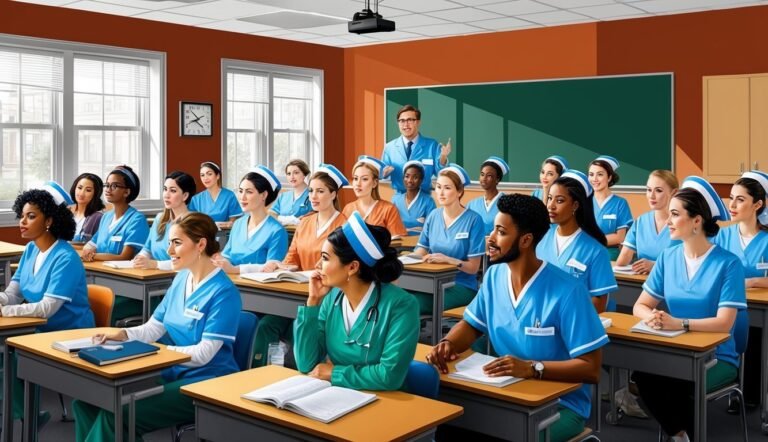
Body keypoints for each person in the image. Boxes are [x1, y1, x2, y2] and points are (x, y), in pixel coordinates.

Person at [426, 194, 607, 442]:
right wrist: (448, 343)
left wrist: (533, 368)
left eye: (500, 232)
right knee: (450, 425)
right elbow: (471, 325)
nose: (490, 238)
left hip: (561, 405)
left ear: (525, 240)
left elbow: (592, 368)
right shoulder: (493, 276)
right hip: (510, 393)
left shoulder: (568, 291)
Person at [73, 212, 242, 442]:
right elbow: (153, 328)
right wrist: (122, 334)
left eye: (177, 243)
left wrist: (159, 353)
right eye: (170, 242)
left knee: (120, 415)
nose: (169, 251)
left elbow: (203, 355)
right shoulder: (181, 278)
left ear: (201, 244)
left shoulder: (224, 292)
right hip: (171, 372)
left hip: (206, 381)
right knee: (86, 402)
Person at [632, 176, 747, 442]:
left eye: (675, 214)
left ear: (697, 221)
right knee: (642, 374)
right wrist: (654, 317)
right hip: (675, 348)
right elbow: (641, 305)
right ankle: (681, 435)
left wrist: (679, 323)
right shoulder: (667, 257)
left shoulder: (729, 264)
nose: (668, 221)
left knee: (676, 381)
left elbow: (724, 323)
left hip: (717, 356)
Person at [294, 212, 419, 390]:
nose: (317, 266)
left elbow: (389, 376)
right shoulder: (331, 299)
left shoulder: (402, 305)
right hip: (337, 395)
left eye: (325, 258)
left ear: (352, 267)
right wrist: (313, 302)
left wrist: (334, 373)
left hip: (385, 402)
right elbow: (306, 364)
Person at [2, 182, 95, 423]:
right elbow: (12, 293)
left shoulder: (66, 257)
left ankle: (27, 418)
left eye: (30, 216)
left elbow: (47, 308)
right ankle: (24, 415)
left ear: (49, 221)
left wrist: (5, 310)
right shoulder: (31, 250)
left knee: (6, 357)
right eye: (21, 216)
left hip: (67, 332)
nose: (22, 222)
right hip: (38, 327)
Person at [255, 164, 349, 367]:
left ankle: (303, 374)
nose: (313, 196)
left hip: (327, 296)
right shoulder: (305, 222)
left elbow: (340, 267)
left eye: (320, 191)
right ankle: (256, 373)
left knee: (301, 327)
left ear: (333, 194)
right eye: (311, 191)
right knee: (266, 325)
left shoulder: (344, 226)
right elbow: (292, 258)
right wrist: (279, 266)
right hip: (297, 291)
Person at [712, 170, 768, 409]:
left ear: (758, 204)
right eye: (730, 198)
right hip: (724, 304)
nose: (731, 205)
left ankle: (752, 394)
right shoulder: (721, 236)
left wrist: (753, 282)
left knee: (755, 337)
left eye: (740, 199)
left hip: (757, 306)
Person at [536, 170, 616, 313]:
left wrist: (560, 315)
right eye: (549, 198)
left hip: (575, 325)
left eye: (559, 200)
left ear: (575, 206)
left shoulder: (596, 251)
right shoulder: (540, 237)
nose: (551, 206)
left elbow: (599, 303)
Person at [409, 164, 485, 314]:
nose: (441, 193)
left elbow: (474, 268)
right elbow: (422, 249)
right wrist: (406, 259)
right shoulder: (433, 216)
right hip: (430, 281)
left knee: (412, 304)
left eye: (447, 188)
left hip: (461, 286)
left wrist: (448, 259)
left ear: (459, 191)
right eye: (438, 187)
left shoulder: (474, 220)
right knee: (400, 297)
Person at [80, 165, 150, 323]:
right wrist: (88, 250)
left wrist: (94, 256)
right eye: (106, 185)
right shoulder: (105, 217)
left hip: (126, 288)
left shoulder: (136, 220)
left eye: (115, 186)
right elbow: (92, 244)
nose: (108, 189)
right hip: (103, 278)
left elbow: (125, 256)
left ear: (127, 192)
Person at [212, 166, 288, 275]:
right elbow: (227, 256)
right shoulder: (238, 224)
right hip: (230, 281)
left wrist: (236, 270)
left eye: (249, 192)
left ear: (264, 195)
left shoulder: (277, 231)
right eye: (240, 191)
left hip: (257, 289)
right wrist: (218, 260)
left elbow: (272, 267)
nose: (242, 197)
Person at [616, 170, 680, 274]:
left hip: (672, 285)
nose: (652, 196)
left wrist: (655, 266)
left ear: (674, 193)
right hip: (643, 284)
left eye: (658, 190)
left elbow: (691, 264)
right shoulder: (640, 222)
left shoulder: (683, 223)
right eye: (649, 190)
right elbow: (622, 261)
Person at [381, 104, 450, 194]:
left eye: (410, 120)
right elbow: (383, 174)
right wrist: (383, 173)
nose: (406, 124)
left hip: (423, 198)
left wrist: (443, 158)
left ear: (418, 122)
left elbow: (441, 174)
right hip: (399, 198)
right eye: (402, 121)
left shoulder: (432, 145)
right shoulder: (389, 147)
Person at [134, 171, 195, 270]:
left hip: (180, 276)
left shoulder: (193, 222)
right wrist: (141, 258)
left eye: (173, 191)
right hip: (155, 274)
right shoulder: (159, 218)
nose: (166, 195)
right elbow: (147, 248)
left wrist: (155, 264)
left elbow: (188, 260)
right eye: (165, 189)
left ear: (185, 196)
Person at [342, 155, 407, 238]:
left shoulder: (388, 209)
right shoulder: (348, 209)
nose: (358, 184)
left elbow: (399, 241)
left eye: (364, 179)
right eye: (355, 178)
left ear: (374, 183)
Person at [589, 156, 633, 260]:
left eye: (600, 174)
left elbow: (619, 237)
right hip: (586, 251)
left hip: (609, 254)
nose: (594, 179)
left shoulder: (620, 203)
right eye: (591, 174)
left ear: (609, 177)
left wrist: (590, 240)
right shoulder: (583, 202)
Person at [188, 161, 242, 228]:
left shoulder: (229, 196)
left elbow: (233, 223)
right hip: (202, 236)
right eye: (202, 175)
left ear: (218, 176)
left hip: (224, 236)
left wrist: (220, 225)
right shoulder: (196, 199)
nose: (205, 178)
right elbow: (192, 224)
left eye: (209, 174)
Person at [467, 156, 510, 235]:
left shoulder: (507, 203)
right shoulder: (472, 204)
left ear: (497, 179)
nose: (484, 178)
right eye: (482, 174)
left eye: (489, 175)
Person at [392, 160, 437, 236]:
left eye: (415, 177)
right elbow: (391, 226)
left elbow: (432, 229)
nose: (410, 180)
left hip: (420, 244)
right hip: (399, 242)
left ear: (421, 180)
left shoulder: (428, 201)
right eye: (407, 176)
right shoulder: (395, 200)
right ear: (403, 178)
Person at [269, 159, 312, 226]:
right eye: (289, 174)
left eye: (296, 173)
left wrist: (279, 218)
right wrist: (291, 220)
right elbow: (271, 214)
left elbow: (314, 216)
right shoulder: (283, 196)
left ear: (304, 174)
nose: (292, 177)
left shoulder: (312, 195)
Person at [69, 173, 105, 244]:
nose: (81, 193)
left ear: (96, 194)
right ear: (74, 188)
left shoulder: (98, 217)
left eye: (88, 190)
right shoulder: (67, 211)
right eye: (79, 188)